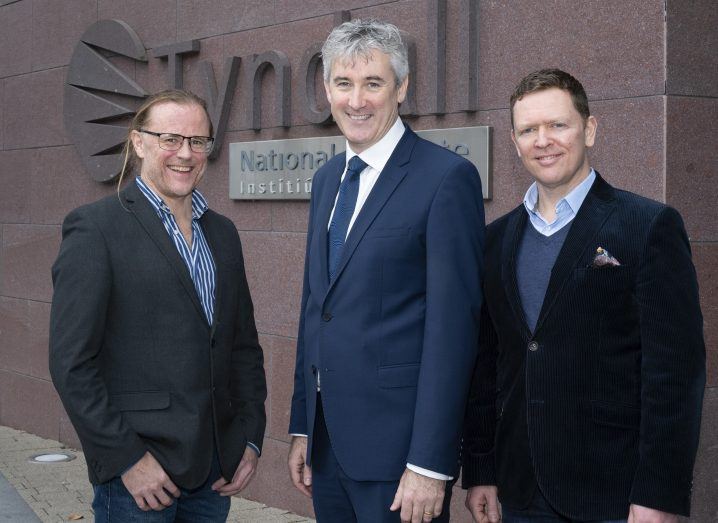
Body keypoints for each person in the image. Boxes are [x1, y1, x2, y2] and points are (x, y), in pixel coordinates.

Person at [462, 69, 705, 523]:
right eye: (529, 130)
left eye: (558, 125)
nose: (543, 140)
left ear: (589, 129)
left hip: (615, 494)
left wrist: (659, 494)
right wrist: (480, 469)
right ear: (514, 142)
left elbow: (674, 375)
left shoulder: (647, 226)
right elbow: (487, 366)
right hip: (520, 490)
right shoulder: (494, 240)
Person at [287, 18, 485, 523]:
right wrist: (303, 426)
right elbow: (317, 309)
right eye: (343, 83)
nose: (357, 100)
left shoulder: (445, 179)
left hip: (400, 461)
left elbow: (453, 333)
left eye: (373, 83)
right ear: (327, 89)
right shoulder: (328, 179)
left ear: (402, 88)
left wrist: (429, 463)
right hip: (329, 450)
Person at [49, 89, 267, 522]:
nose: (185, 154)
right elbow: (71, 363)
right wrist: (126, 459)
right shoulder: (96, 228)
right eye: (170, 139)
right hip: (139, 480)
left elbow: (242, 347)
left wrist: (249, 438)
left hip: (213, 474)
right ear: (139, 142)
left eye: (197, 142)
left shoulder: (222, 233)